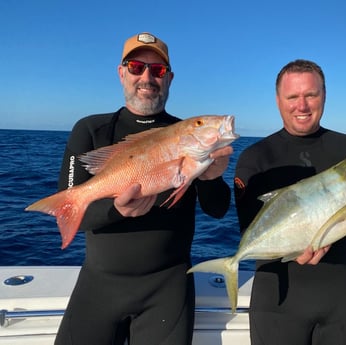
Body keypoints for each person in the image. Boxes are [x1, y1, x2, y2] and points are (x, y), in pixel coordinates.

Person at [54, 32, 233, 345]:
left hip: (169, 287)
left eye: (158, 71)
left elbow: (217, 210)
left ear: (170, 79)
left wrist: (211, 177)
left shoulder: (184, 135)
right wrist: (116, 209)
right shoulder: (90, 129)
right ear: (121, 73)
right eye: (136, 67)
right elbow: (73, 209)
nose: (147, 77)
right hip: (100, 284)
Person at [234, 59, 346, 345]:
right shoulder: (255, 158)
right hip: (276, 302)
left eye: (311, 95)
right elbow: (251, 233)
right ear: (278, 100)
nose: (302, 106)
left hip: (339, 301)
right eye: (292, 97)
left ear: (324, 95)